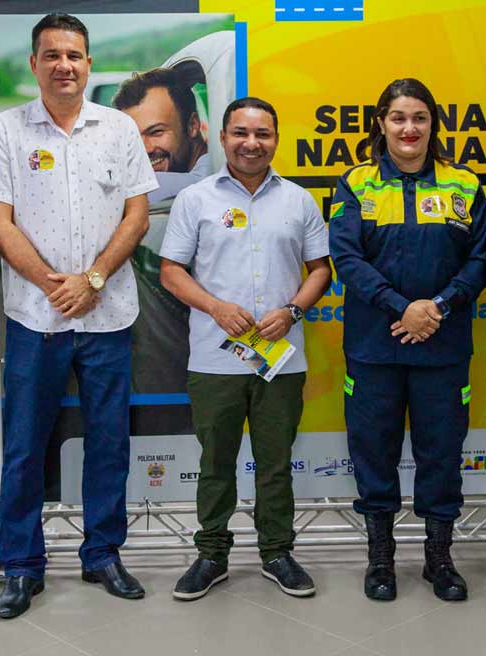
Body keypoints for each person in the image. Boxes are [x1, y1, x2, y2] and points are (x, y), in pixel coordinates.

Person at [0, 12, 158, 619]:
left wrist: (94, 279)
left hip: (108, 316)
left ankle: (103, 552)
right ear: (34, 65)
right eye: (51, 55)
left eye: (74, 55)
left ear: (88, 64)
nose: (64, 65)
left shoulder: (119, 129)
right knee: (26, 445)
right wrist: (55, 286)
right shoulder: (3, 132)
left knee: (109, 441)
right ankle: (22, 565)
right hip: (36, 317)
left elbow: (137, 214)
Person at [160, 97, 331, 600]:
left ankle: (277, 552)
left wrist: (294, 310)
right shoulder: (196, 199)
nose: (251, 143)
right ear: (223, 137)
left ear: (276, 139)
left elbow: (321, 269)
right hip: (216, 356)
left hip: (282, 357)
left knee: (275, 461)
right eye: (240, 133)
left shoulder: (299, 201)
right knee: (216, 460)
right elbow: (171, 271)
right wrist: (214, 307)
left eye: (262, 134)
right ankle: (211, 554)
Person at [329, 78, 486, 603]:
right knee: (373, 452)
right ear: (381, 123)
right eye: (398, 117)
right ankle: (381, 559)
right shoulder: (356, 183)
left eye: (419, 117)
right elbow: (347, 259)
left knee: (441, 453)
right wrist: (404, 308)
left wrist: (437, 307)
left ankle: (439, 559)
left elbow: (483, 260)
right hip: (375, 349)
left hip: (442, 349)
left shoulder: (464, 184)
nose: (409, 128)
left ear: (432, 124)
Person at [113, 67, 211, 203]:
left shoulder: (217, 173)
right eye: (132, 138)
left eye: (156, 132)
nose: (145, 149)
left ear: (192, 126)